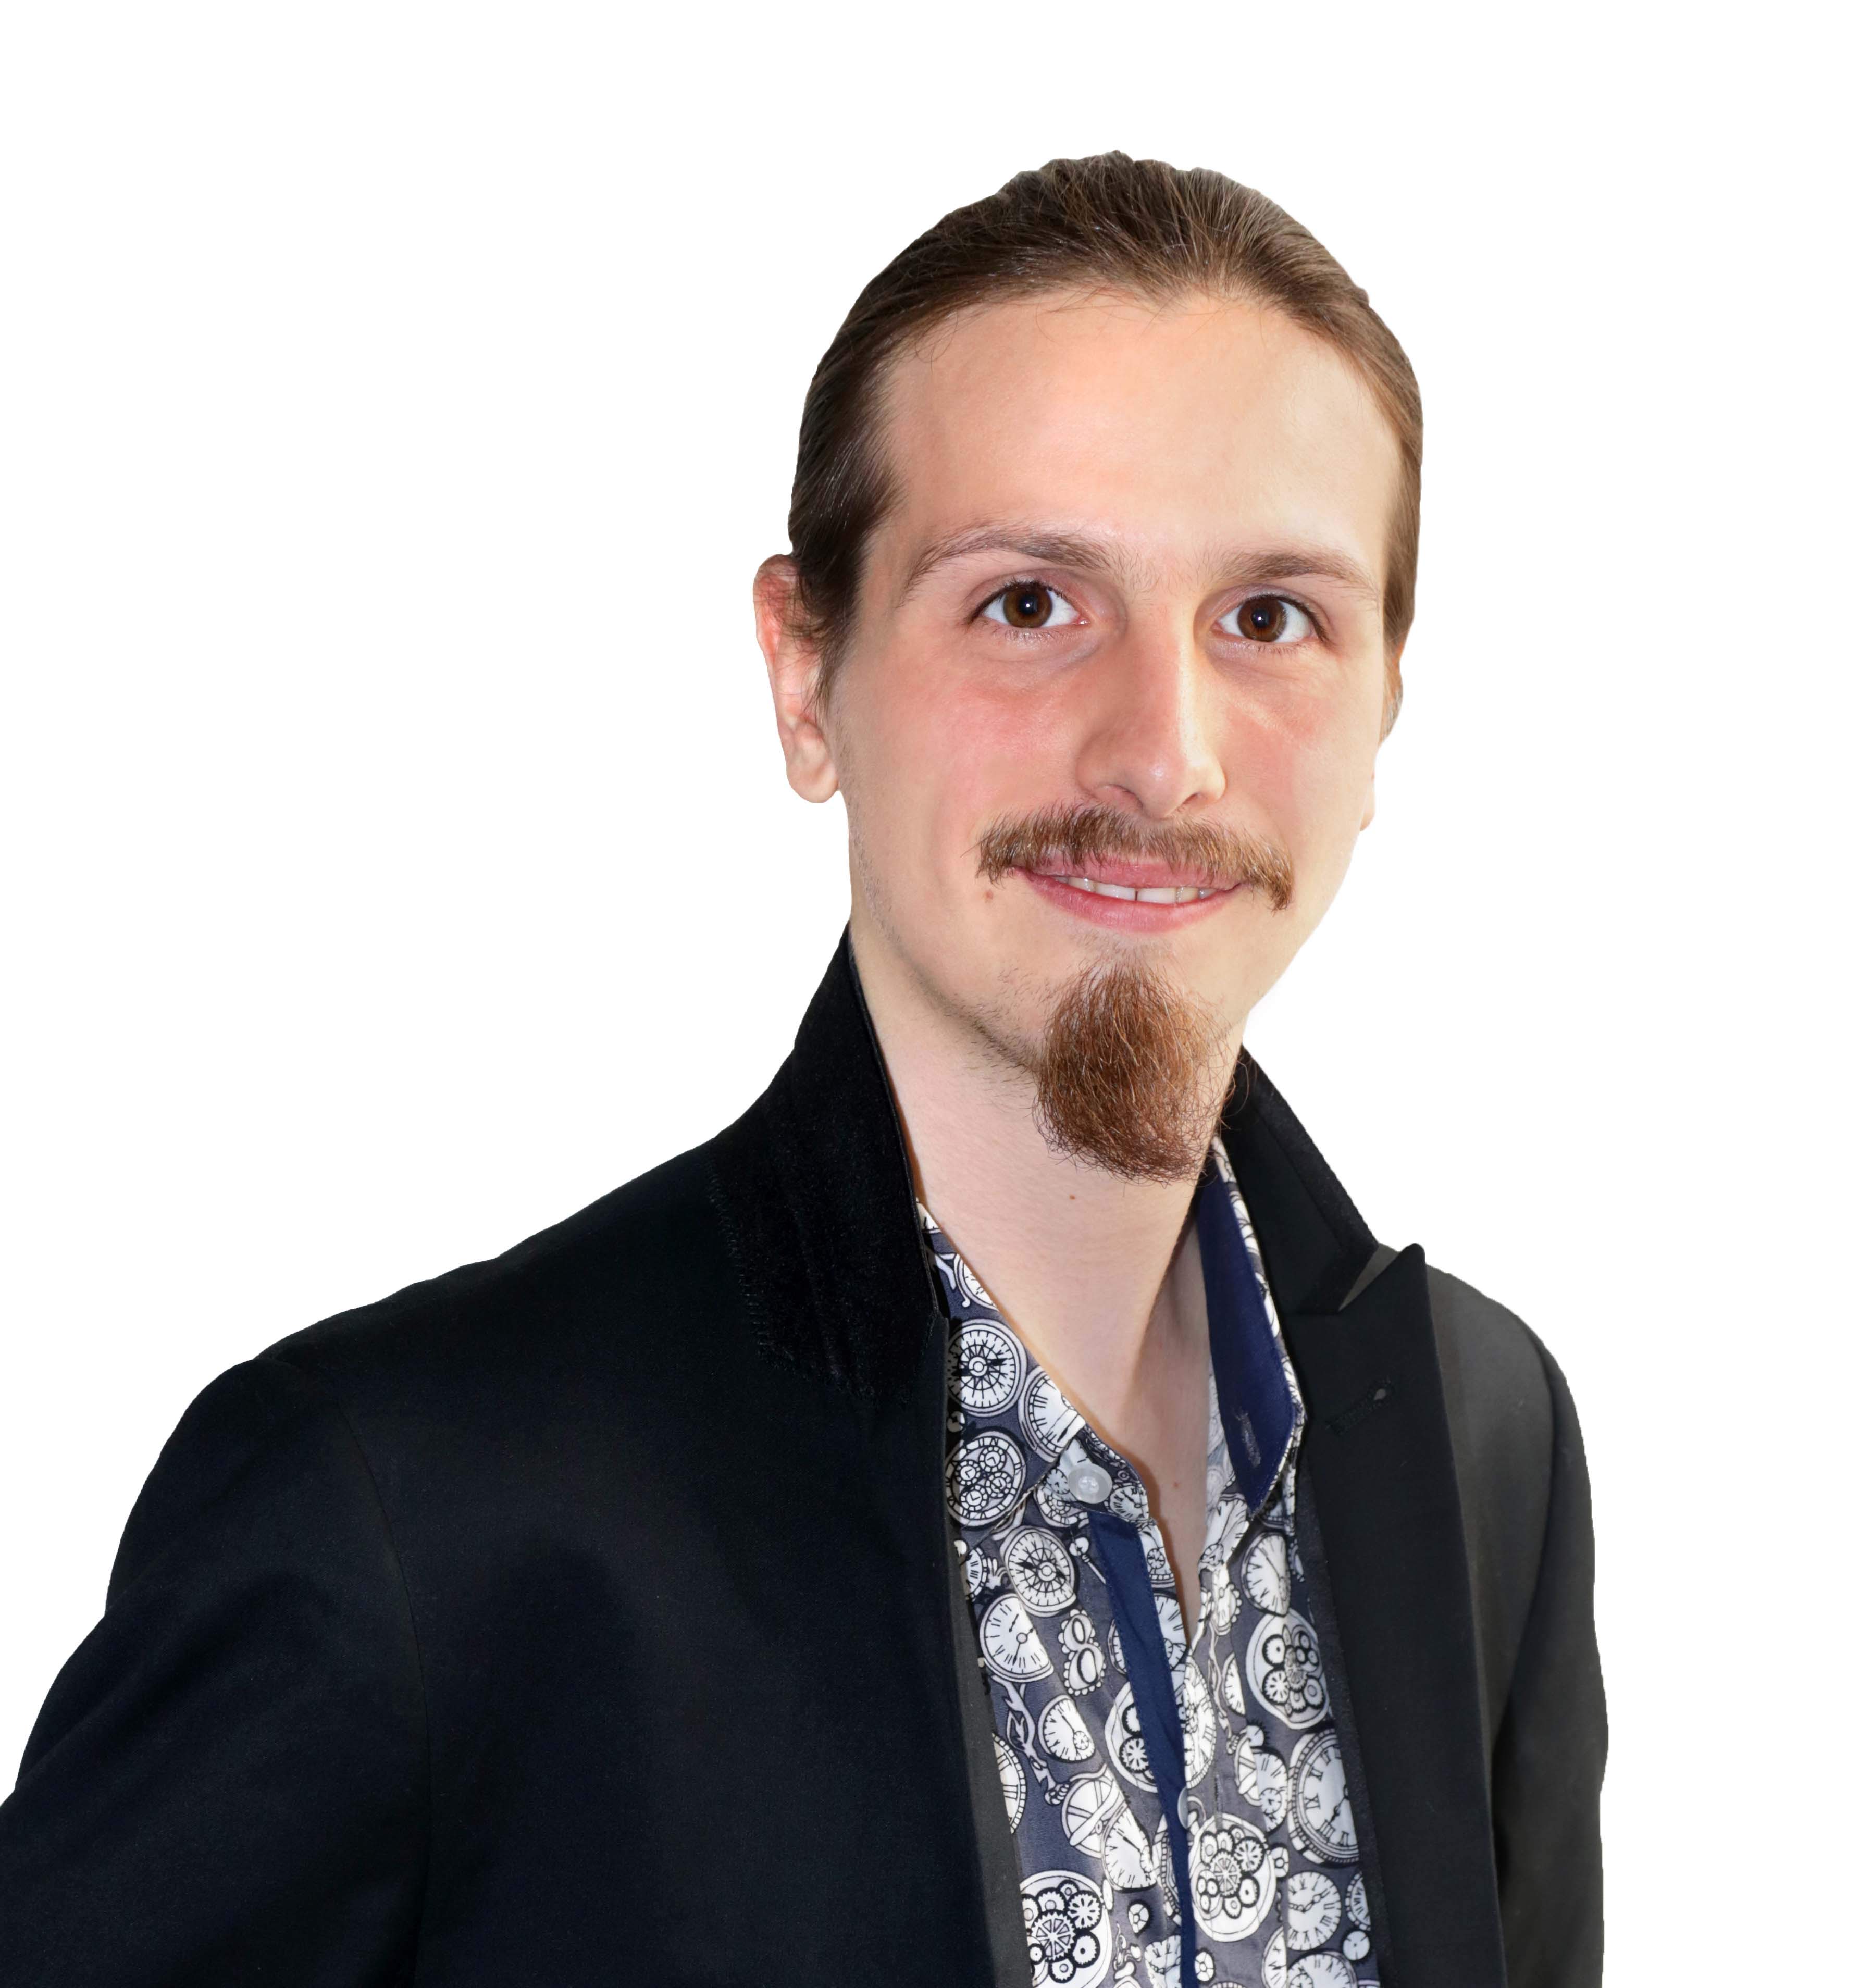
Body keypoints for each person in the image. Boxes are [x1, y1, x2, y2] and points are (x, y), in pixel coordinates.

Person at [0, 153, 1604, 1988]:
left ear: (1382, 703)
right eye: (1028, 602)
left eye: (1268, 619)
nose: (1164, 755)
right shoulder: (402, 1507)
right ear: (802, 674)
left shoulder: (1480, 1437)